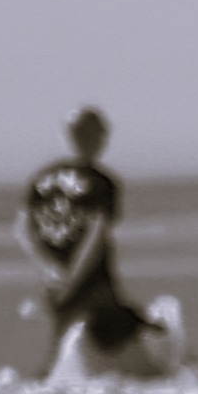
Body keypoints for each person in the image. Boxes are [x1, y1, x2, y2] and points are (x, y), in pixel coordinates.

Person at [15, 108, 169, 379]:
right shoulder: (100, 183)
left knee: (67, 327)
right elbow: (95, 237)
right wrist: (72, 277)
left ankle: (54, 372)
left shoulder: (41, 179)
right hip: (89, 277)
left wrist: (49, 268)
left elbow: (22, 229)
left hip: (55, 274)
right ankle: (146, 369)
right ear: (96, 137)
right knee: (114, 325)